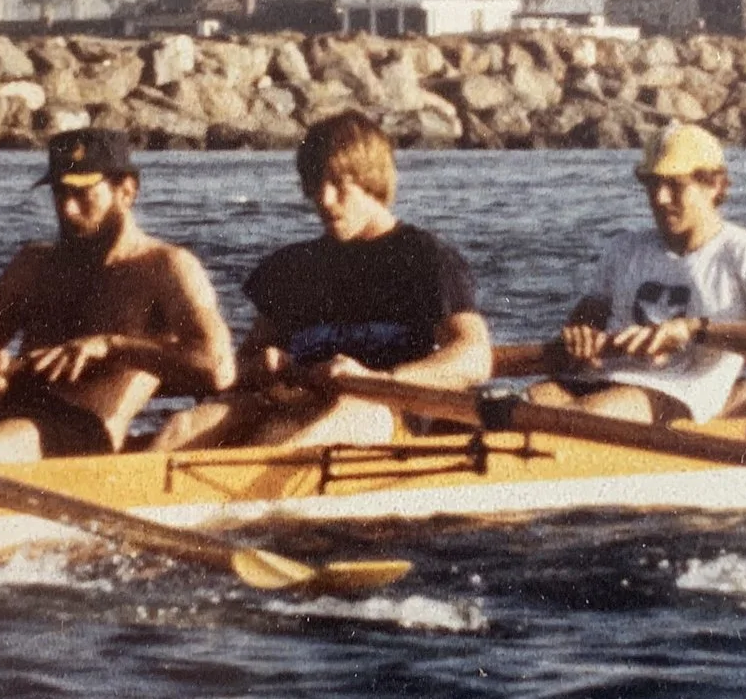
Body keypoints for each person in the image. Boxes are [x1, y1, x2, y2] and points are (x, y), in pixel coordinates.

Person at [150, 110, 491, 451]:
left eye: (339, 184)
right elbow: (240, 367)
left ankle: (252, 487)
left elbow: (475, 357)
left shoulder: (425, 258)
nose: (324, 199)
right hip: (293, 402)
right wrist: (261, 366)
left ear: (371, 180)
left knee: (350, 413)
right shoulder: (293, 266)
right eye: (315, 184)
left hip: (386, 412)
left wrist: (381, 379)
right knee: (185, 425)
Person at [0, 129, 235, 462]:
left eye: (82, 194)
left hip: (85, 430)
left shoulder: (167, 268)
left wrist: (110, 347)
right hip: (9, 406)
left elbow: (218, 369)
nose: (68, 209)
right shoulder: (33, 264)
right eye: (59, 194)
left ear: (127, 191)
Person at [532, 122, 746, 423]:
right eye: (653, 184)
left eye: (675, 186)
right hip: (600, 381)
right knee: (527, 400)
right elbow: (583, 323)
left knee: (580, 417)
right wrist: (579, 335)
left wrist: (693, 330)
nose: (660, 198)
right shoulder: (624, 248)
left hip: (678, 393)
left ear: (714, 185)